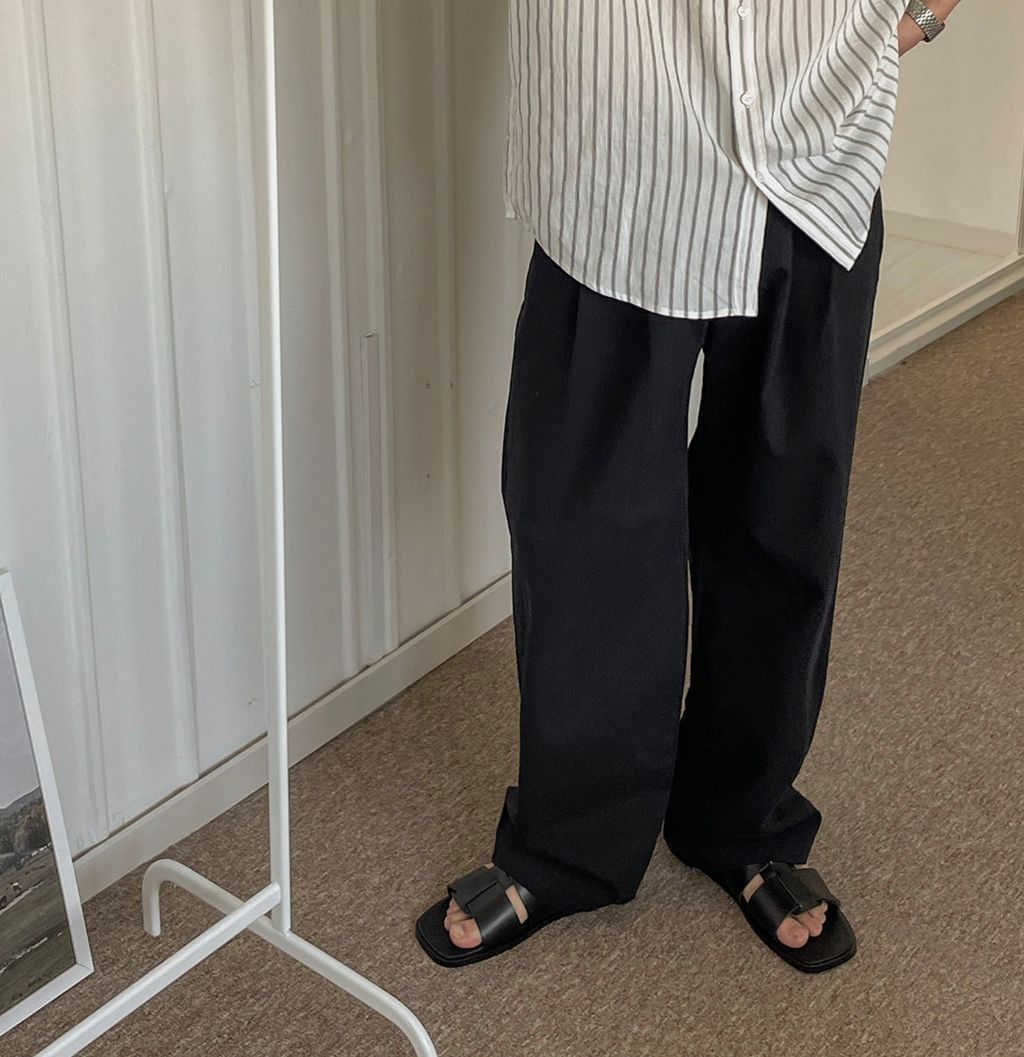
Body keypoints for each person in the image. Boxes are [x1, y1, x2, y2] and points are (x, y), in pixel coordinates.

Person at [416, 0, 961, 972]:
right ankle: (569, 841)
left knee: (784, 510)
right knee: (587, 529)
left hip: (818, 134)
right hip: (619, 150)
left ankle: (745, 818)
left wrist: (914, 18)